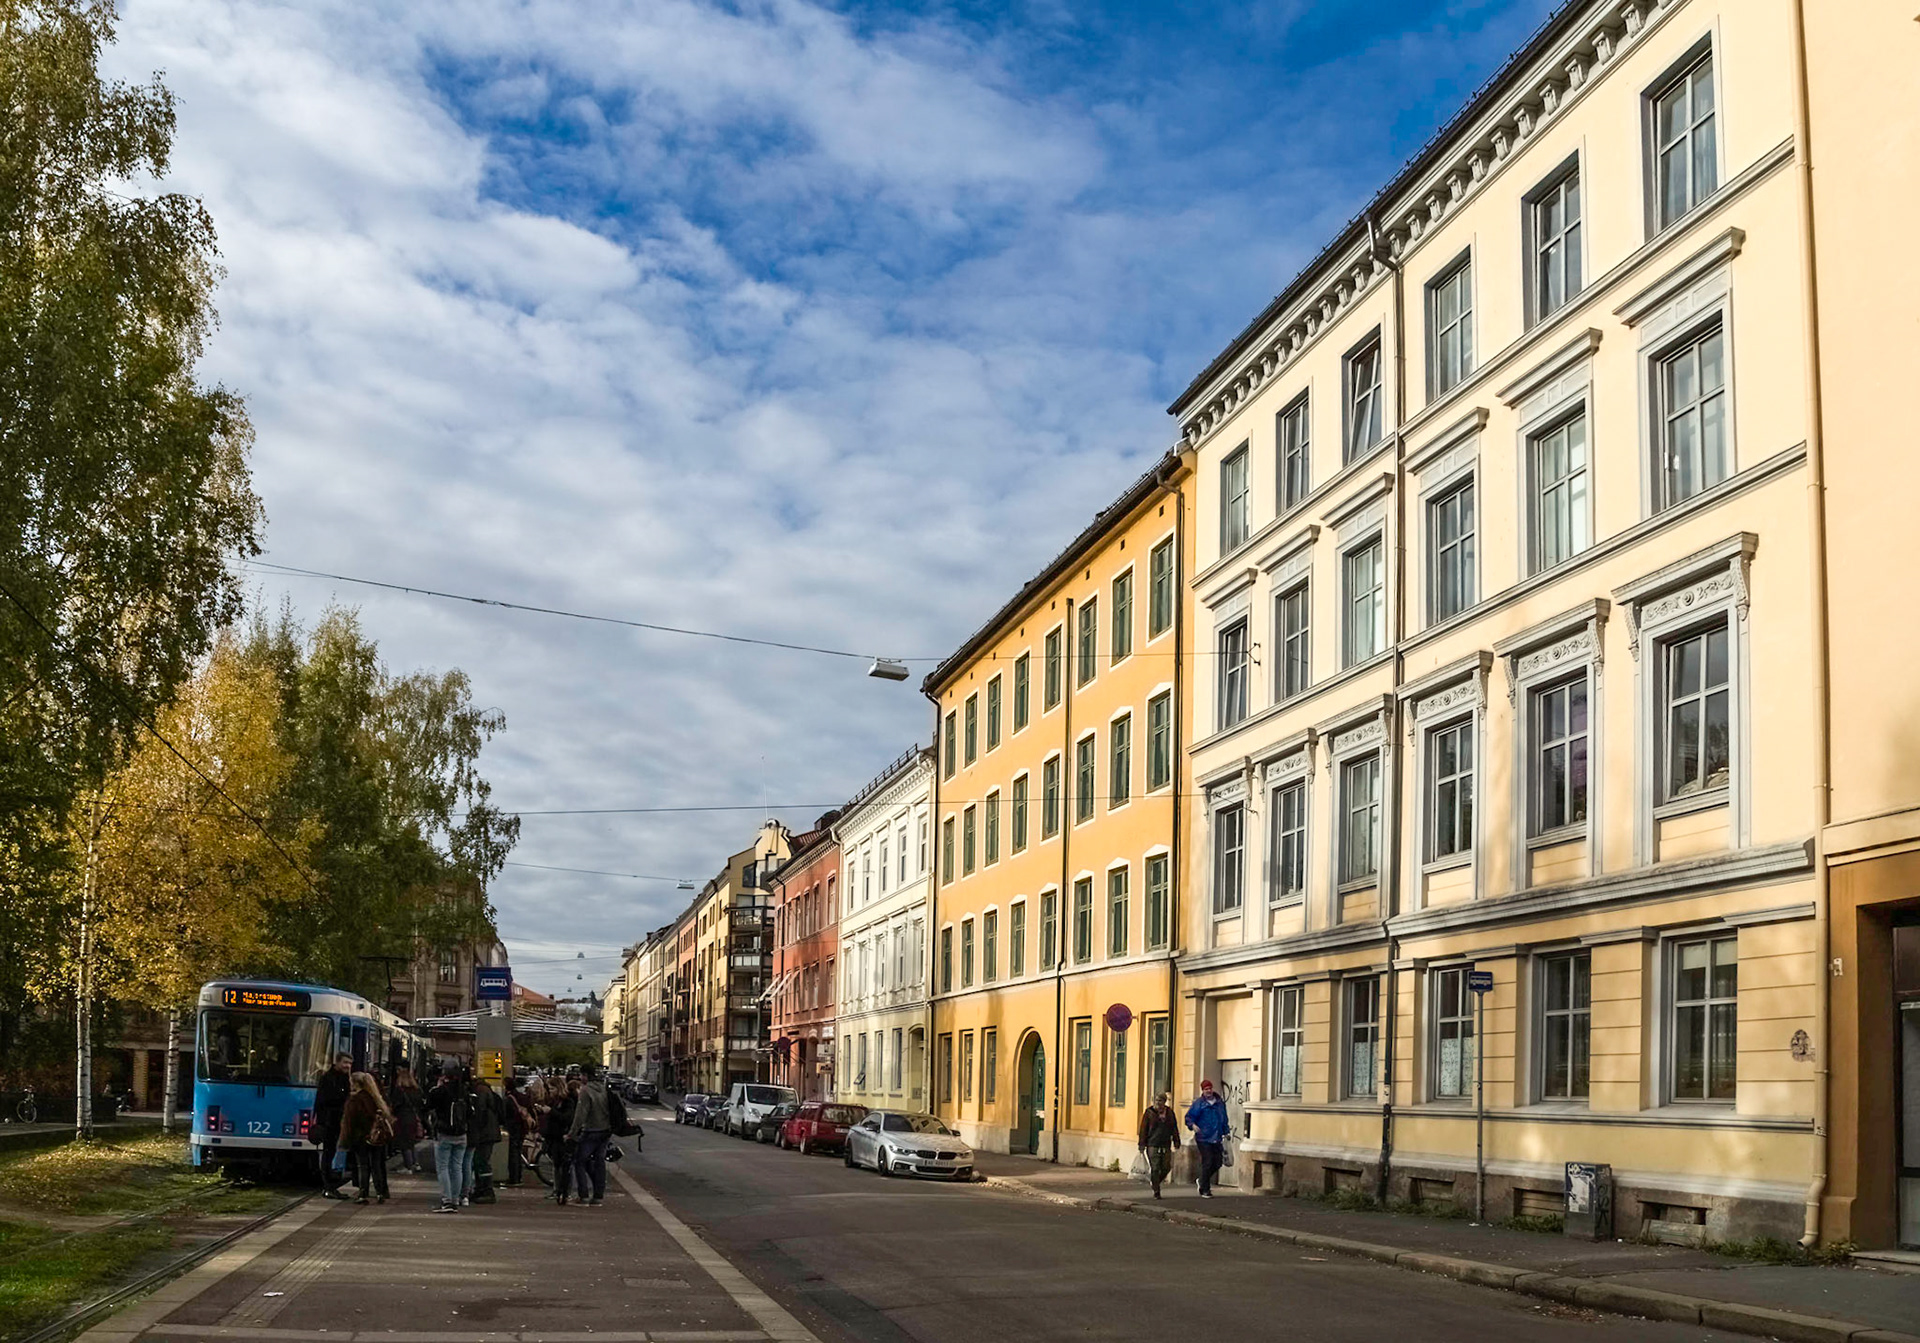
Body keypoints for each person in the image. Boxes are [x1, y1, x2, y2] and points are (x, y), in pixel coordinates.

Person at [339, 1072, 394, 1205]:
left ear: (355, 1083)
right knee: (376, 1165)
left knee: (363, 1166)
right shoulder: (376, 1098)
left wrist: (346, 1140)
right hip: (377, 1137)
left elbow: (349, 1121)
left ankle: (363, 1193)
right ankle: (380, 1192)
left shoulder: (355, 1100)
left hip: (361, 1137)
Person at [425, 1066, 473, 1213]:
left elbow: (427, 1106)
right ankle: (455, 1199)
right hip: (461, 1134)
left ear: (445, 1076)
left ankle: (447, 1201)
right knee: (457, 1167)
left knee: (443, 1167)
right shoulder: (464, 1092)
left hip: (444, 1133)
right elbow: (471, 1113)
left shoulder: (439, 1092)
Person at [568, 1064, 612, 1207]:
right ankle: (598, 1196)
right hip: (605, 1130)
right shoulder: (603, 1088)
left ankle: (583, 1196)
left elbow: (580, 1115)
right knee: (599, 1162)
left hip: (591, 1130)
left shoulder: (586, 1091)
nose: (580, 1078)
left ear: (585, 1075)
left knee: (579, 1161)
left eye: (581, 1075)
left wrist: (572, 1133)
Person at [313, 1053, 353, 1198]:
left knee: (331, 1152)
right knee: (328, 1153)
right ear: (337, 1062)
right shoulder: (329, 1079)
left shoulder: (343, 1078)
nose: (347, 1066)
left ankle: (330, 1186)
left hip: (336, 1121)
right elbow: (325, 1101)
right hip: (330, 1122)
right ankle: (328, 1186)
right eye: (345, 1062)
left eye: (349, 1063)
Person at [1184, 1079, 1231, 1198]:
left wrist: (1226, 1132)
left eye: (1210, 1088)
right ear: (1203, 1091)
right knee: (1208, 1161)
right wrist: (1193, 1125)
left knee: (1218, 1162)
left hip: (1217, 1137)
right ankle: (1206, 1189)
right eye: (1206, 1089)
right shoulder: (1199, 1104)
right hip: (1203, 1137)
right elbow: (1189, 1117)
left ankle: (1202, 1180)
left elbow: (1224, 1118)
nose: (1208, 1091)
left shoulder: (1219, 1103)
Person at [1137, 1091, 1182, 1200]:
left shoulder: (1169, 1113)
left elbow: (1174, 1128)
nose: (1158, 1103)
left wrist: (1176, 1141)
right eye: (1156, 1100)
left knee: (1166, 1167)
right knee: (1155, 1167)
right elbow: (1143, 1129)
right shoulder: (1149, 1113)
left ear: (1165, 1102)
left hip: (1165, 1144)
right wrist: (1141, 1144)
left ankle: (1155, 1182)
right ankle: (1156, 1191)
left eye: (1160, 1101)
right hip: (1152, 1143)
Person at [543, 1076, 578, 1204]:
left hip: (563, 1137)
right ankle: (557, 1190)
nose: (550, 1091)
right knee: (557, 1165)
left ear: (558, 1088)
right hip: (554, 1137)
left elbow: (567, 1118)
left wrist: (551, 1112)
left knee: (565, 1166)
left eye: (552, 1088)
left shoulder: (568, 1101)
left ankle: (565, 1192)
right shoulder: (554, 1101)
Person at [469, 1078, 504, 1203]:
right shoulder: (488, 1092)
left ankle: (486, 1190)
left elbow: (480, 1112)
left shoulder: (480, 1092)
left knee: (481, 1162)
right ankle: (482, 1189)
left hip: (484, 1134)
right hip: (490, 1132)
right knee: (482, 1161)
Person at [390, 1066, 424, 1174]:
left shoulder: (400, 1090)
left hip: (402, 1118)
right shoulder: (416, 1090)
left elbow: (395, 1105)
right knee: (412, 1142)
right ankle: (416, 1164)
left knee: (404, 1143)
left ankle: (408, 1166)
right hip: (413, 1118)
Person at [502, 1078, 530, 1186]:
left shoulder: (509, 1098)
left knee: (513, 1153)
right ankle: (518, 1176)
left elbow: (506, 1114)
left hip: (513, 1128)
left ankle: (513, 1177)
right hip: (521, 1127)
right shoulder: (520, 1097)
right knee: (518, 1152)